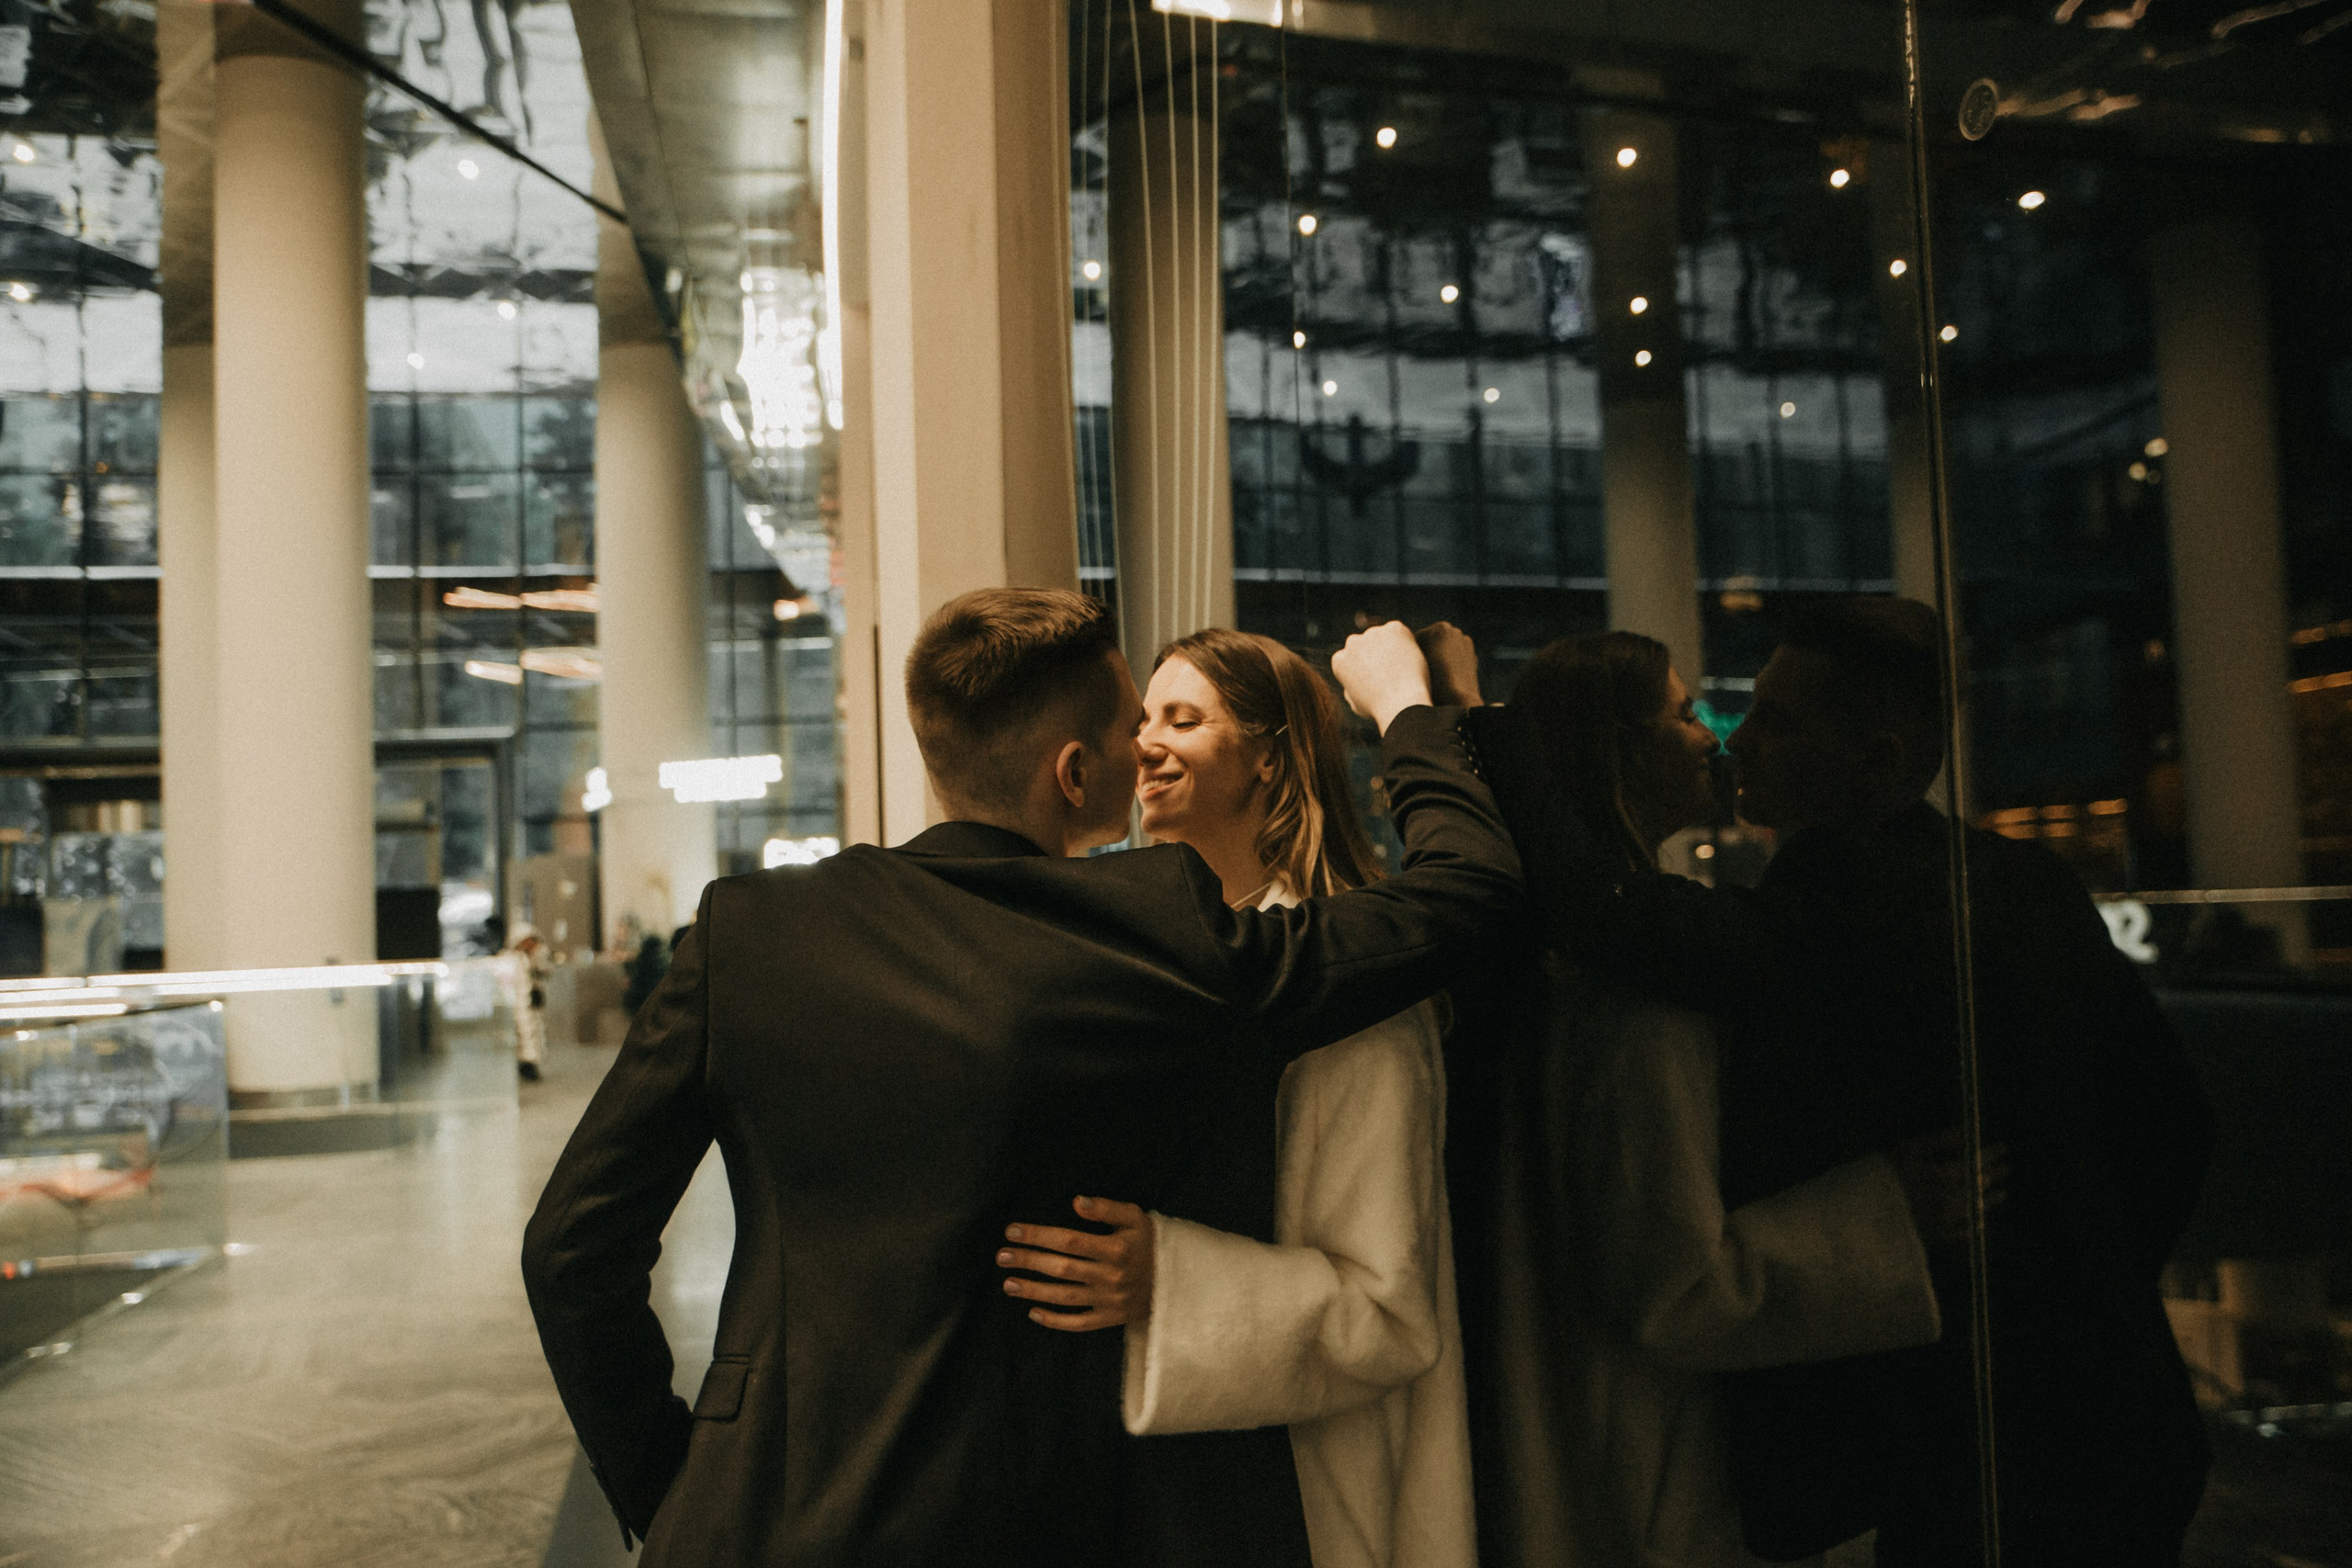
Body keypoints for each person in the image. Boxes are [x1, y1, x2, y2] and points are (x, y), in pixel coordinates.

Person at [520, 590, 1520, 1568]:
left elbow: (571, 1249)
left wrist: (675, 1486)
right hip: (1016, 1514)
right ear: (1078, 772)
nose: (1147, 752)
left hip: (753, 1509)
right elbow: (1463, 895)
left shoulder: (747, 928)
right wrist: (1410, 712)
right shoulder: (1140, 935)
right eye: (1135, 728)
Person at [1444, 600, 2213, 1568]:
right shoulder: (2023, 883)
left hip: (1975, 1453)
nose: (1738, 737)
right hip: (2121, 1410)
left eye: (1777, 719)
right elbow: (2175, 1126)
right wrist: (2082, 1280)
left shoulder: (1848, 900)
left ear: (1877, 759)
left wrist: (1474, 731)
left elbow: (1615, 917)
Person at [1438, 631, 1951, 1568]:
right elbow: (1682, 1285)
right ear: (1619, 746)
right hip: (1657, 1474)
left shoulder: (1559, 957)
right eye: (1684, 714)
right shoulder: (1644, 995)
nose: (1715, 737)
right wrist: (1886, 1215)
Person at [993, 628, 1478, 1568]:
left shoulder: (1348, 986)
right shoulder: (1129, 955)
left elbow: (1387, 1309)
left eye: (1185, 720)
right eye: (1141, 722)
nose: (1145, 745)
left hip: (1295, 1495)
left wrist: (1165, 1280)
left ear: (1270, 757)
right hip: (1139, 1470)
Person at [500, 922, 548, 1081]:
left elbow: (545, 972)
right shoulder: (508, 958)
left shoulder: (534, 956)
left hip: (532, 1002)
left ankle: (531, 1063)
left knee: (534, 1033)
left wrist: (537, 956)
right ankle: (524, 1064)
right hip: (516, 1002)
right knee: (522, 1034)